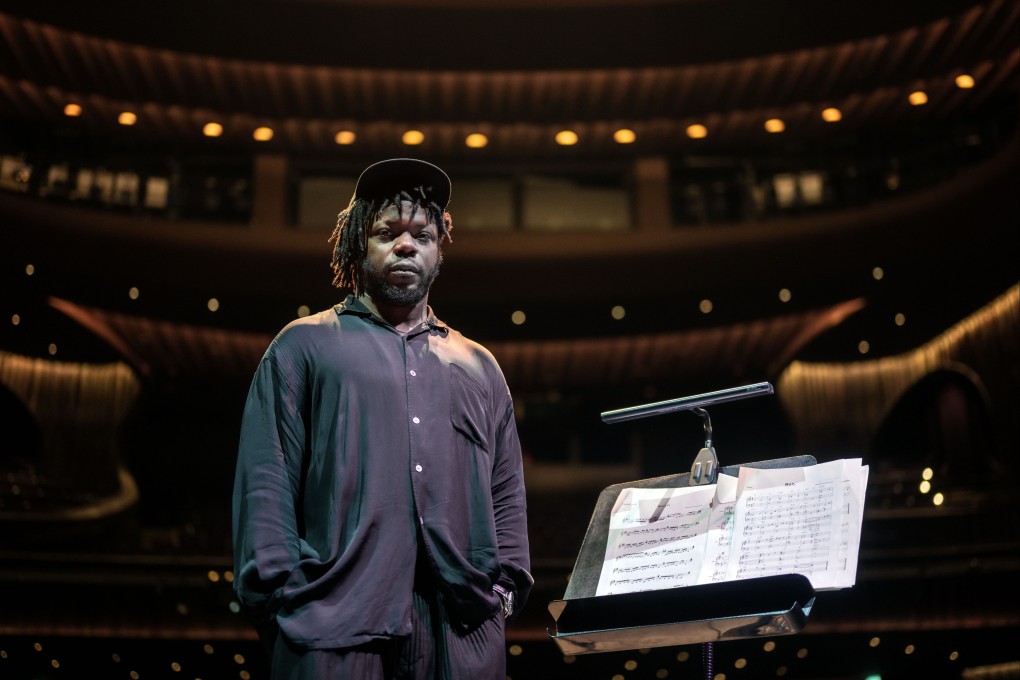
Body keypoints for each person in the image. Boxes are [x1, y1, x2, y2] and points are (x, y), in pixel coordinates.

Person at [232, 158, 532, 679]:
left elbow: (506, 490)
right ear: (357, 244)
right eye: (386, 231)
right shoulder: (304, 345)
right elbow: (267, 477)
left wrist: (502, 591)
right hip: (331, 624)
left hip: (461, 632)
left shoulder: (480, 366)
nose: (406, 244)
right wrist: (282, 596)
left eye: (423, 234)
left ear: (440, 251)